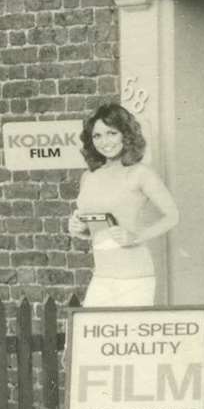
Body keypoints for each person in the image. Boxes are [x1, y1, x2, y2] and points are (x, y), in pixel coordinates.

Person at [67, 103, 181, 307]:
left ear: (126, 135)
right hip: (101, 276)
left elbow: (173, 216)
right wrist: (80, 228)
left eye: (111, 133)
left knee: (131, 338)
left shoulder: (140, 173)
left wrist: (136, 236)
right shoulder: (89, 176)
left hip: (134, 278)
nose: (104, 142)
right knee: (89, 336)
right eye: (97, 136)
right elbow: (98, 227)